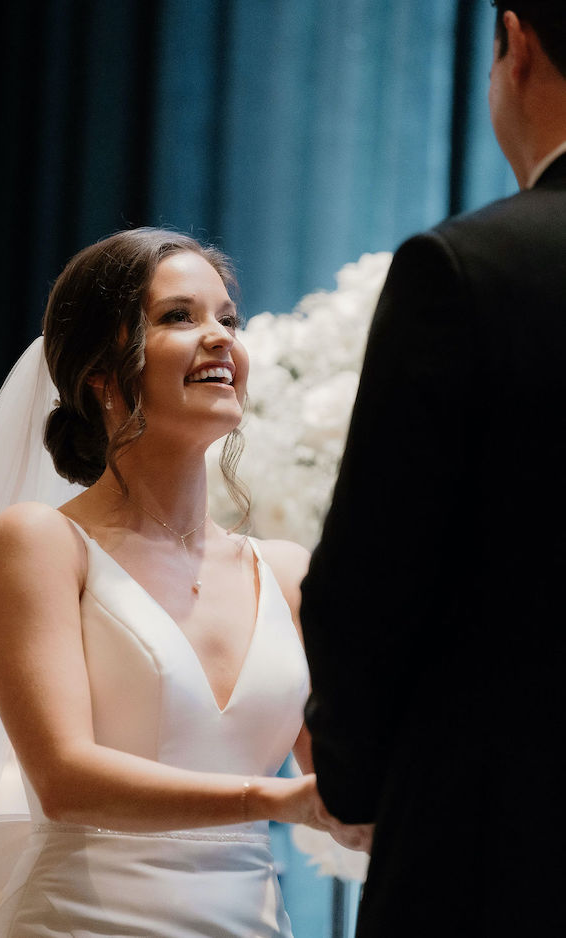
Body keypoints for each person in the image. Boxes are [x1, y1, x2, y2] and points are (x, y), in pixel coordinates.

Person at [0, 228, 364, 937]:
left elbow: (345, 780)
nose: (219, 338)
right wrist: (273, 799)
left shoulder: (287, 572)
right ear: (101, 371)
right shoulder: (42, 542)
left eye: (227, 319)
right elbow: (66, 779)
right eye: (179, 317)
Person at [300, 3, 566, 936]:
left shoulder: (470, 267)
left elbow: (370, 577)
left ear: (516, 42)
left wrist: (357, 776)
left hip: (499, 843)